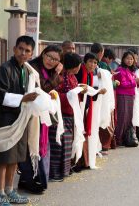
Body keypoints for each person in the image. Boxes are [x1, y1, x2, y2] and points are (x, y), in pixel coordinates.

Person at [0, 35, 38, 205]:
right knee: (3, 156)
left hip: (20, 118)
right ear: (14, 49)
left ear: (31, 54)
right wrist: (24, 98)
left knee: (14, 157)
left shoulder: (28, 71)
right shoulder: (5, 69)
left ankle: (10, 190)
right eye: (20, 49)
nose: (23, 53)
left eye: (27, 51)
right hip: (5, 117)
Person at [18, 45, 63, 194]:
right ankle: (30, 180)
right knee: (30, 145)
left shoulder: (49, 70)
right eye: (50, 57)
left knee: (40, 146)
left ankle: (33, 179)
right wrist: (56, 73)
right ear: (43, 54)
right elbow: (42, 88)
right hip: (29, 113)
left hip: (41, 115)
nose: (51, 61)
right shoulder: (33, 68)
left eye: (56, 60)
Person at [49, 53, 86, 181]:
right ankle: (54, 173)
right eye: (78, 65)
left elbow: (74, 94)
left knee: (68, 145)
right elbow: (54, 94)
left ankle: (64, 170)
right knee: (58, 145)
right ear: (73, 66)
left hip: (71, 115)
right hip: (60, 114)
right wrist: (69, 95)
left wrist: (80, 90)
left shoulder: (73, 77)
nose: (79, 67)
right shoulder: (59, 77)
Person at [75, 52, 106, 170]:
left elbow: (90, 92)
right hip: (77, 107)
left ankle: (83, 162)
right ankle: (77, 162)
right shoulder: (80, 72)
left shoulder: (90, 74)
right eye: (90, 62)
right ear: (85, 62)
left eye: (95, 63)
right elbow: (77, 89)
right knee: (78, 134)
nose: (93, 65)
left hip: (85, 107)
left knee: (83, 134)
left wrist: (97, 92)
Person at [114, 51, 139, 147]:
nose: (130, 60)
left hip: (130, 96)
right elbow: (123, 84)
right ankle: (118, 139)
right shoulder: (120, 70)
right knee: (122, 118)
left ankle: (126, 138)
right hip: (122, 96)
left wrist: (136, 81)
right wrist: (134, 82)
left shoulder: (130, 70)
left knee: (129, 118)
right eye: (128, 58)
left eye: (131, 59)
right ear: (123, 59)